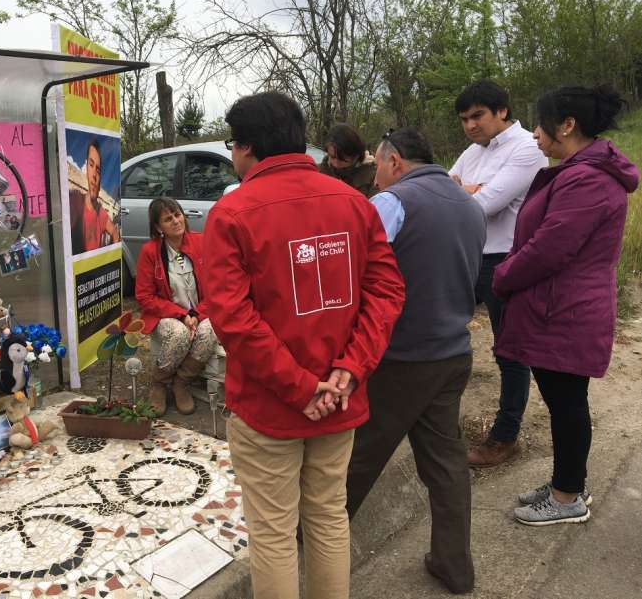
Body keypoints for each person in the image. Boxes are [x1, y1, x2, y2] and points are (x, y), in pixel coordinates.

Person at [204, 91, 405, 599]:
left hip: (269, 405)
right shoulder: (355, 203)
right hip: (339, 398)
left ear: (247, 147)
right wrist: (350, 370)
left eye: (232, 145)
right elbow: (386, 292)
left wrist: (301, 387)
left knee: (273, 533)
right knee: (328, 516)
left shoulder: (232, 213)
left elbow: (232, 319)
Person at [345, 128, 486, 594]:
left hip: (401, 357)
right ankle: (454, 565)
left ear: (395, 161)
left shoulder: (393, 202)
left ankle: (311, 538)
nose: (376, 178)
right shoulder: (470, 205)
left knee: (358, 455)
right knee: (446, 464)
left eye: (378, 165)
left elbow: (354, 271)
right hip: (453, 352)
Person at [494, 85, 638, 526]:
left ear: (567, 125)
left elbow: (549, 249)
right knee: (565, 402)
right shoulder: (582, 172)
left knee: (567, 403)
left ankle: (566, 497)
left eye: (540, 125)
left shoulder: (587, 180)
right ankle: (568, 482)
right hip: (561, 306)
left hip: (566, 311)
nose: (535, 135)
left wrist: (503, 276)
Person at [449, 80, 548, 467]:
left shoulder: (526, 148)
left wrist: (469, 192)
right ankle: (439, 419)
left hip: (506, 257)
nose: (470, 125)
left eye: (477, 116)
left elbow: (484, 205)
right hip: (468, 254)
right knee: (442, 330)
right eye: (464, 119)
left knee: (509, 349)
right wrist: (469, 190)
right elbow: (444, 190)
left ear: (502, 111)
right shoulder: (473, 151)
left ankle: (505, 437)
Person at [135, 197, 216, 416]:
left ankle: (181, 382)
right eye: (168, 219)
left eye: (177, 215)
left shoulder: (201, 242)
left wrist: (196, 315)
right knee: (179, 333)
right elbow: (144, 296)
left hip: (201, 312)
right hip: (165, 316)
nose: (176, 221)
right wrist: (181, 315)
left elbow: (217, 287)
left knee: (210, 330)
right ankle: (159, 384)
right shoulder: (150, 251)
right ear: (158, 227)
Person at [70, 139, 121, 254]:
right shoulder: (75, 200)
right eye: (91, 165)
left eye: (98, 170)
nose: (94, 175)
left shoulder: (100, 212)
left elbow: (115, 233)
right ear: (86, 169)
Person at [318, 122, 377, 197]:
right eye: (332, 157)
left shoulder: (373, 176)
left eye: (342, 160)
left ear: (356, 156)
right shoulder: (319, 170)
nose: (336, 164)